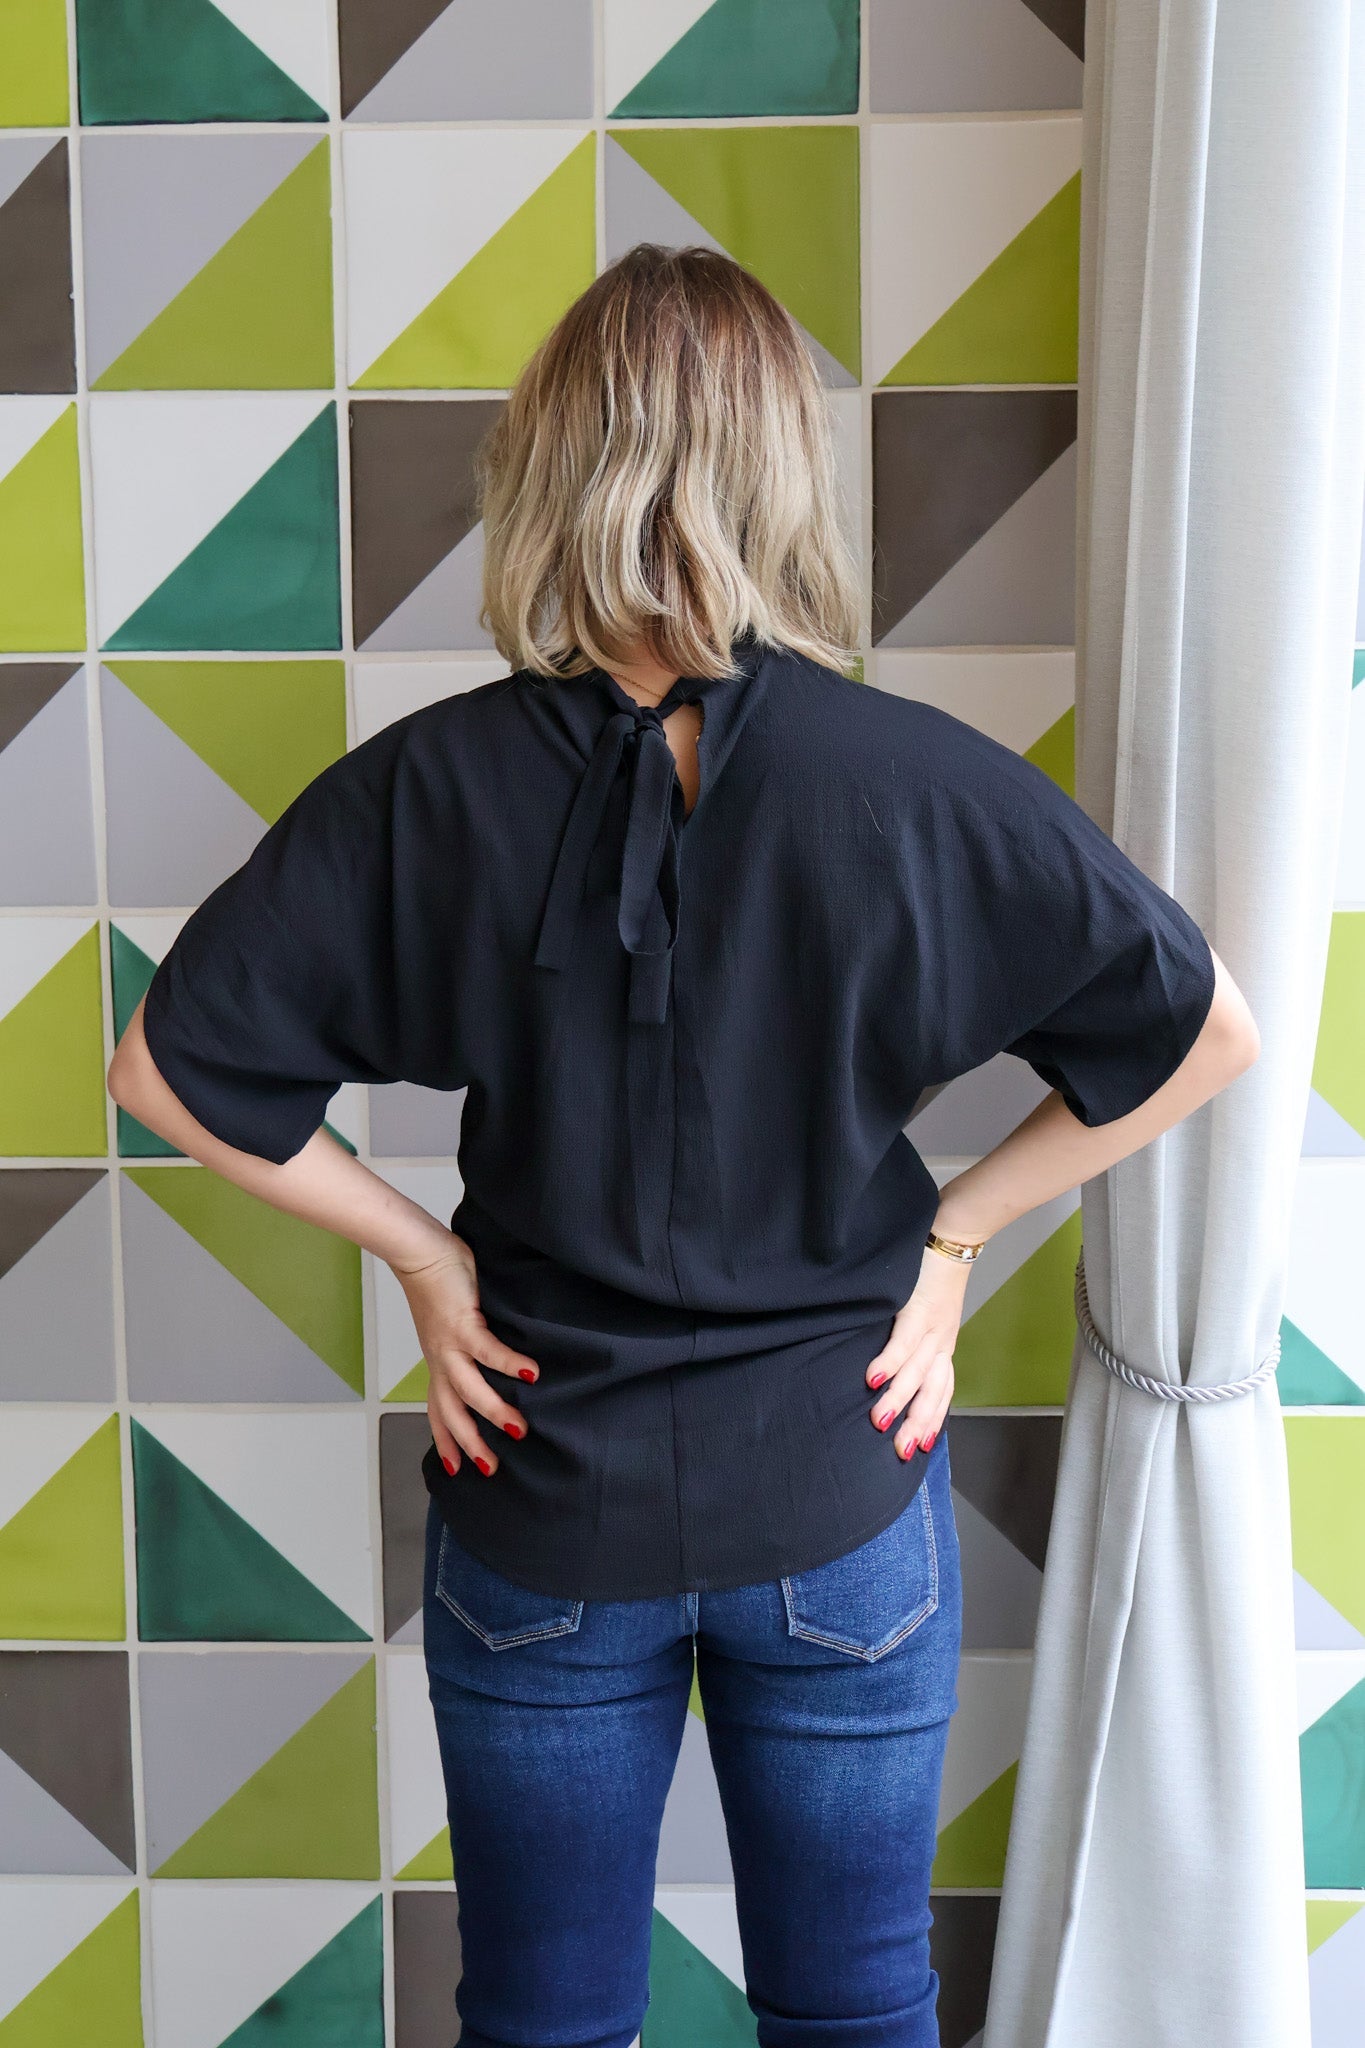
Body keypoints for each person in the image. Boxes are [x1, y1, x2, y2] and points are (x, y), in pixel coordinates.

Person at [107, 243, 1260, 2048]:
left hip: (541, 1499)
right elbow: (1207, 1035)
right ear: (776, 474)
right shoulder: (915, 782)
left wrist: (426, 1261)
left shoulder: (434, 784)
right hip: (842, 1483)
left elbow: (167, 1068)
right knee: (854, 2014)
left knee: (548, 2023)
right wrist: (949, 1242)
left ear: (550, 466)